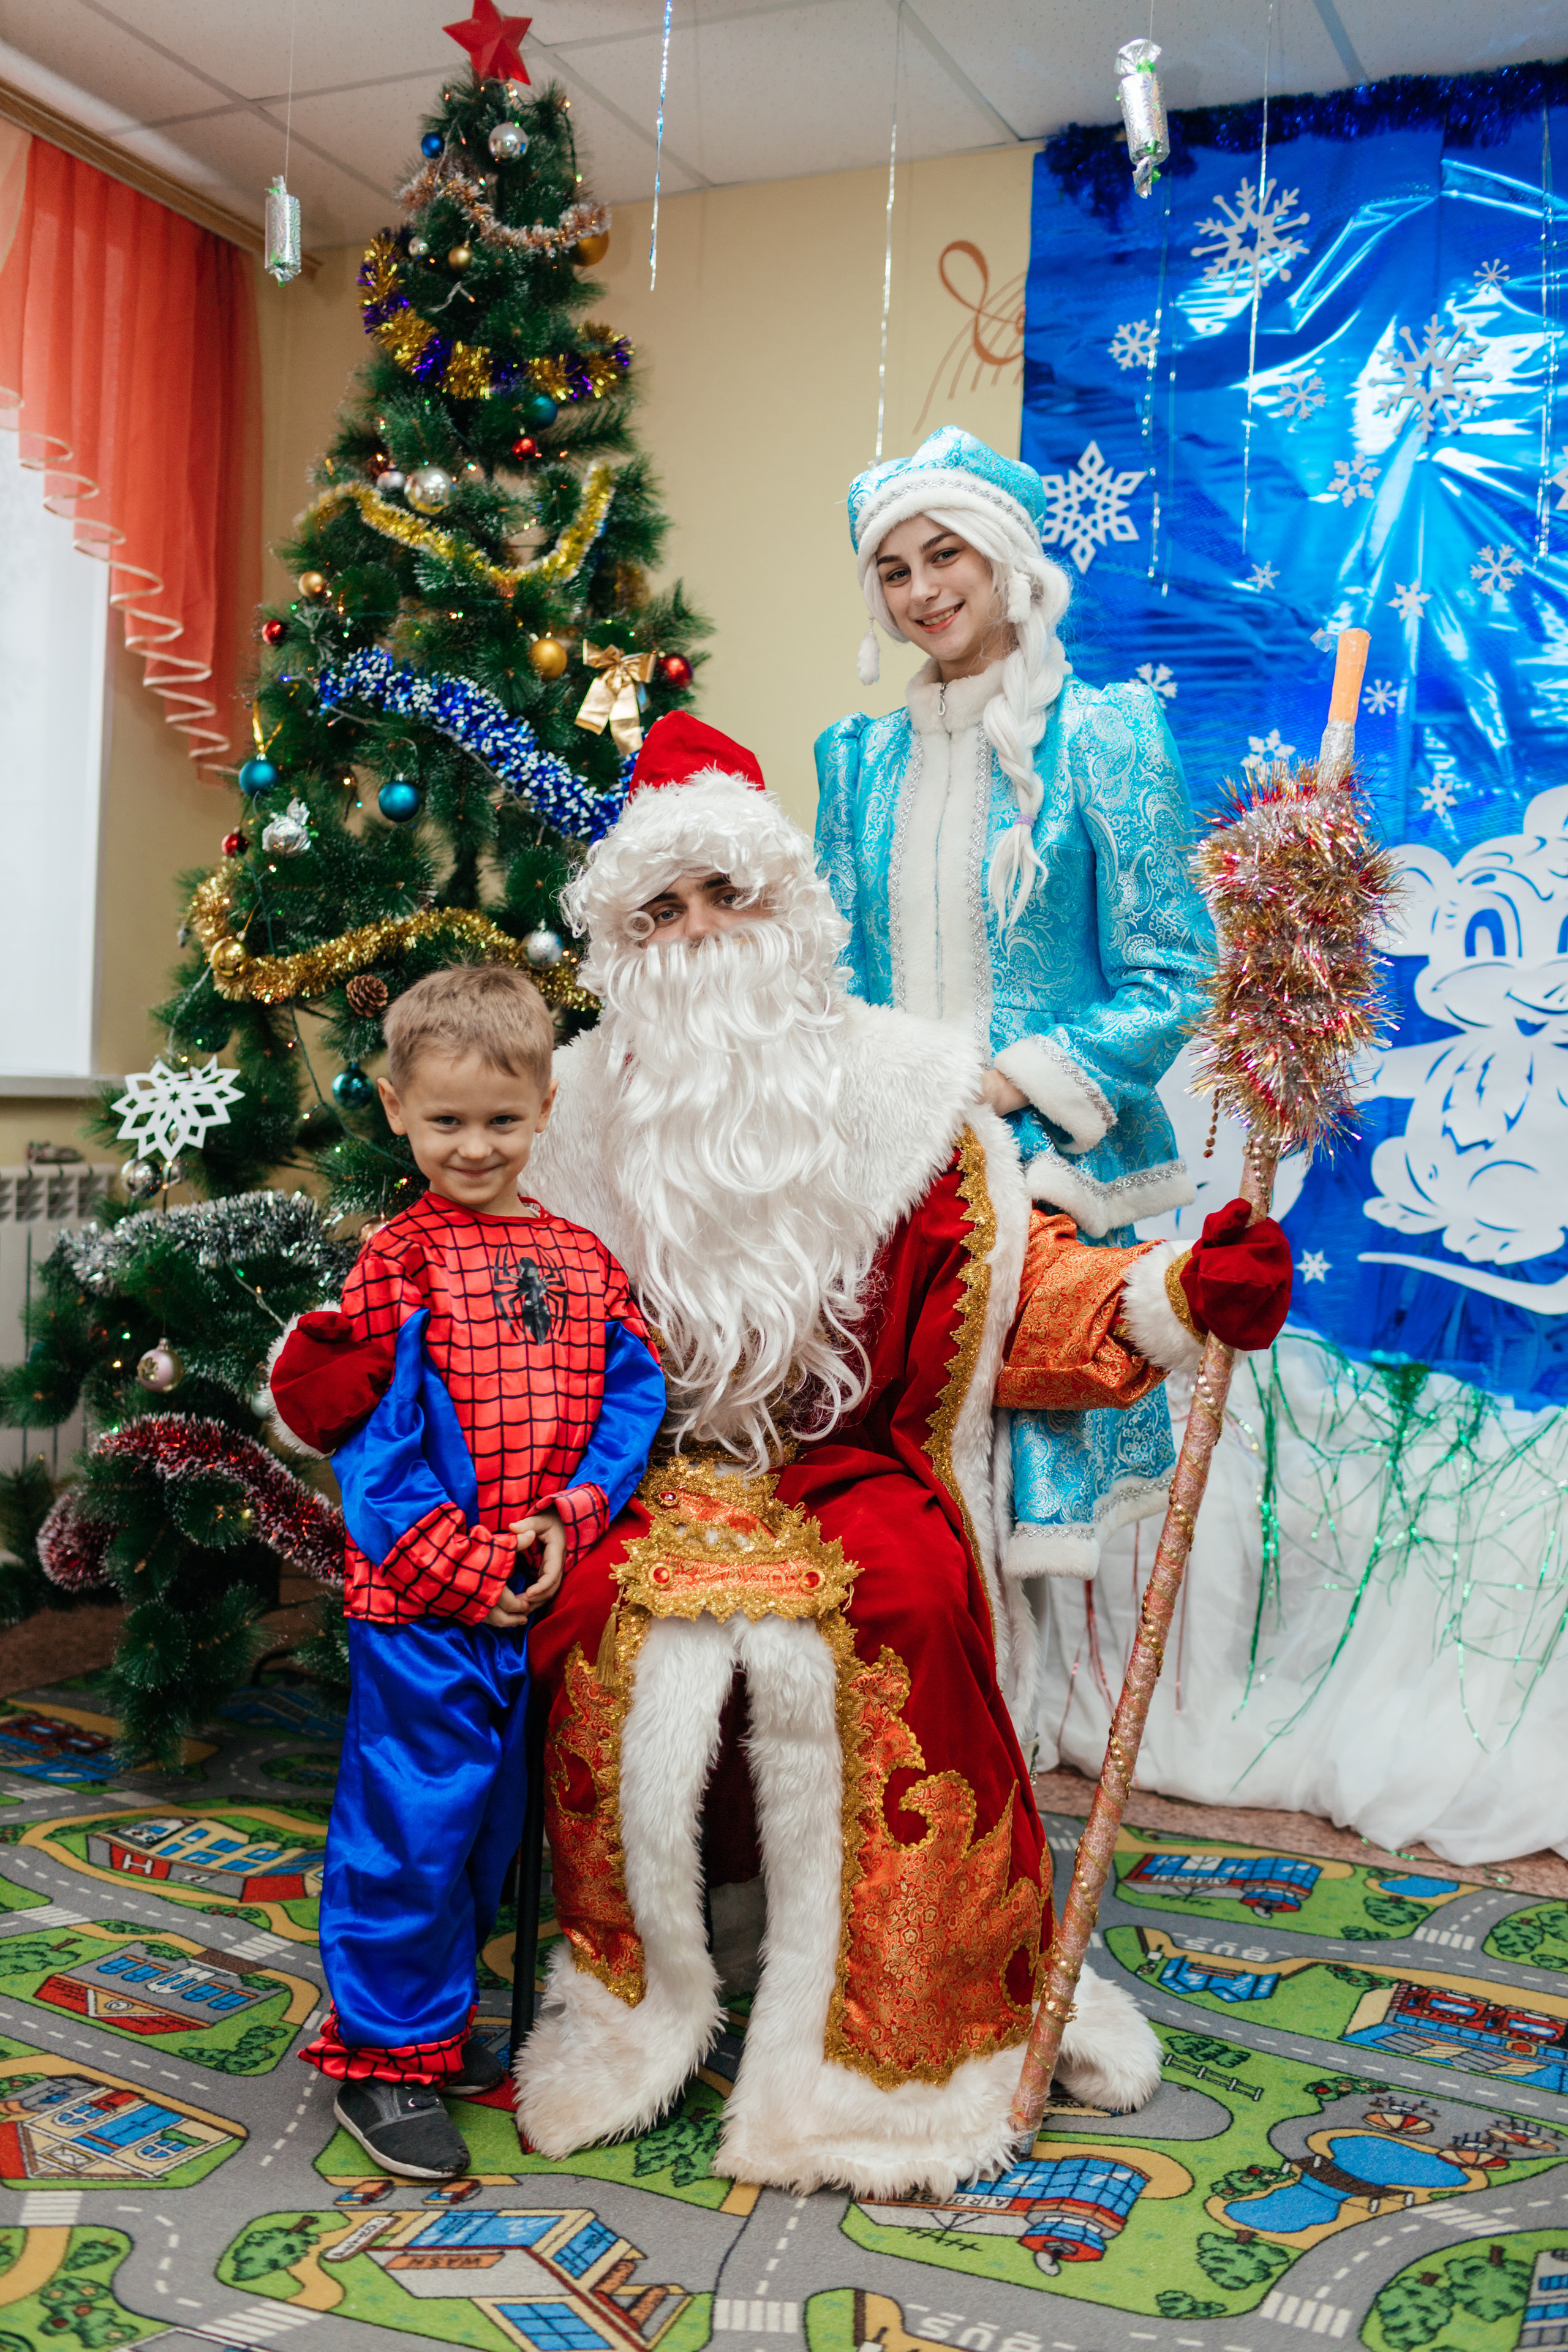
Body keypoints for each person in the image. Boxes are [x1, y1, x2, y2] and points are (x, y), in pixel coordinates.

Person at [513, 712, 1291, 2196]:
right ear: (617, 942)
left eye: (723, 899)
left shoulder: (905, 1094)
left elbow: (1019, 1288)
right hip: (632, 1469)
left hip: (843, 1467)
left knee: (905, 1599)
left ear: (787, 916)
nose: (696, 937)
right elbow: (493, 1316)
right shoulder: (571, 1112)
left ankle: (905, 2037)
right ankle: (653, 1978)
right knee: (588, 1604)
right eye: (657, 913)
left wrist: (1174, 1293)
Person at [267, 963, 665, 2180]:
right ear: (394, 1109)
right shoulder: (394, 1265)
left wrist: (571, 1515)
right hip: (427, 1609)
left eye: (501, 1120)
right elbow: (376, 1454)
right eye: (446, 1121)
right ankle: (381, 2062)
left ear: (546, 1106)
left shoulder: (581, 1258)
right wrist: (466, 1569)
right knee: (410, 1830)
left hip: (526, 1598)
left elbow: (631, 1390)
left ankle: (439, 2024)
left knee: (490, 1833)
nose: (475, 1146)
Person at [815, 426, 1215, 1580]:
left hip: (1040, 1171)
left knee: (1035, 1459)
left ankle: (1035, 1727)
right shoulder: (858, 758)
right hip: (891, 1167)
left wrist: (1012, 1079)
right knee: (893, 1461)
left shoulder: (1106, 733)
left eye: (946, 556)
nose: (922, 590)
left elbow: (1173, 967)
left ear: (1003, 560)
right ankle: (931, 1725)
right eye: (894, 570)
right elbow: (832, 971)